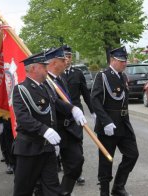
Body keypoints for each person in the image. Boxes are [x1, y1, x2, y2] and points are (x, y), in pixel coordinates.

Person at [12, 51, 85, 196]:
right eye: (43, 66)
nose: (47, 68)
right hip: (29, 149)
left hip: (47, 149)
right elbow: (22, 117)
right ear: (33, 68)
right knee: (23, 189)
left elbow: (56, 103)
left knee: (52, 189)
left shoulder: (45, 87)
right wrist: (44, 130)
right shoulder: (21, 89)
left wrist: (73, 109)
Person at [90, 46, 139, 196]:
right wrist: (105, 121)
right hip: (109, 124)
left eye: (125, 61)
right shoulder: (102, 76)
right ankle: (104, 191)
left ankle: (118, 186)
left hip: (124, 122)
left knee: (132, 154)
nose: (125, 64)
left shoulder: (123, 76)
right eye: (121, 61)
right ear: (112, 60)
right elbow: (95, 99)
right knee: (106, 159)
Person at [45, 47, 86, 196]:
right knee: (48, 172)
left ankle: (64, 192)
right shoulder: (45, 81)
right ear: (54, 62)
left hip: (69, 130)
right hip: (54, 130)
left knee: (76, 162)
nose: (67, 62)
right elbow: (54, 102)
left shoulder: (60, 78)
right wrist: (72, 109)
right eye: (63, 60)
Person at [61, 45, 95, 185]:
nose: (67, 60)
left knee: (77, 143)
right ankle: (67, 169)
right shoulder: (56, 75)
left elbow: (86, 93)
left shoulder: (78, 73)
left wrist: (93, 111)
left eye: (69, 57)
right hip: (62, 113)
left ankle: (77, 173)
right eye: (64, 57)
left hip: (76, 114)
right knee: (63, 144)